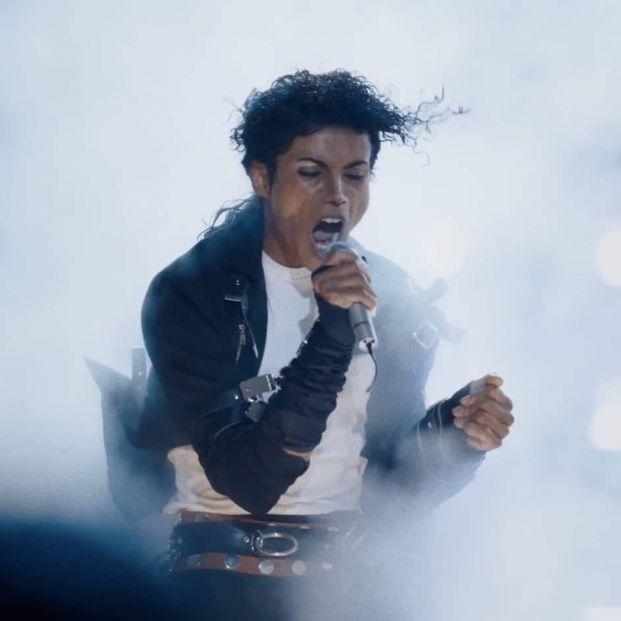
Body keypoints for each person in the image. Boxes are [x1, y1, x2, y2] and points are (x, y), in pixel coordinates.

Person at [133, 69, 515, 620]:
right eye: (311, 173)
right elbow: (249, 480)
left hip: (342, 591)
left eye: (356, 175)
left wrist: (456, 434)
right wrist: (332, 331)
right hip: (218, 586)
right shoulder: (194, 292)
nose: (337, 195)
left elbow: (391, 488)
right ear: (262, 178)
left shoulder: (390, 293)